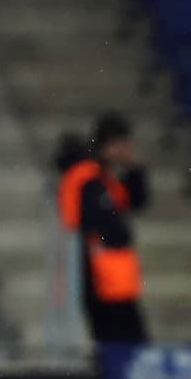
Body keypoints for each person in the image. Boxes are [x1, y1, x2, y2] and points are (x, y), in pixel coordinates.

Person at [57, 112, 150, 343]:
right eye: (122, 144)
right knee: (119, 338)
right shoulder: (87, 177)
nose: (126, 150)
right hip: (99, 271)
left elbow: (135, 200)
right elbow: (90, 221)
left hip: (114, 273)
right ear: (108, 144)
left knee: (126, 338)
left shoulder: (105, 177)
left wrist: (136, 170)